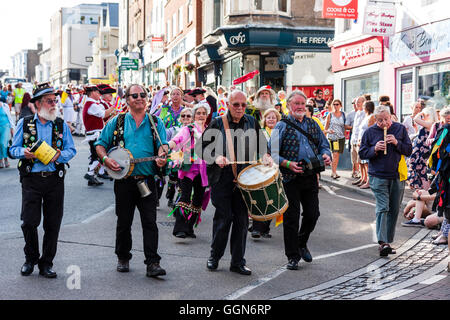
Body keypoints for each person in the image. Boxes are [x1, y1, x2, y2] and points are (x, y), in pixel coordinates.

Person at [95, 84, 168, 278]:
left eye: (142, 95)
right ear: (127, 99)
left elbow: (163, 146)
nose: (139, 98)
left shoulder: (155, 121)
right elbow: (100, 144)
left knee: (150, 222)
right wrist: (105, 160)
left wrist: (162, 156)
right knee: (124, 222)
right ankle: (123, 257)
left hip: (146, 180)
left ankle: (153, 262)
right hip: (124, 182)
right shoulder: (116, 121)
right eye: (134, 95)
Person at [199, 89, 273, 276]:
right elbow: (201, 149)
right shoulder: (217, 123)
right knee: (224, 218)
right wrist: (216, 158)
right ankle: (214, 257)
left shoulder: (252, 122)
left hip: (245, 179)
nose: (240, 108)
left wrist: (265, 155)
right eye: (236, 105)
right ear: (229, 105)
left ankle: (237, 262)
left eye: (242, 105)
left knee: (241, 220)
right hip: (222, 179)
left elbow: (262, 146)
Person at [9, 82, 76, 278]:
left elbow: (71, 150)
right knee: (29, 222)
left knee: (53, 223)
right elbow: (12, 150)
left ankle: (46, 263)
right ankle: (31, 259)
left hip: (55, 179)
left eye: (54, 100)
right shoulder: (25, 123)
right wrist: (24, 153)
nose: (53, 104)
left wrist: (59, 156)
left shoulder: (60, 124)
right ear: (37, 104)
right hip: (31, 179)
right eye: (49, 101)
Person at [269, 90, 332, 270]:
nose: (300, 107)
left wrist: (326, 155)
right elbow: (272, 153)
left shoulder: (313, 123)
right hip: (289, 178)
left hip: (311, 175)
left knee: (313, 214)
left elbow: (324, 145)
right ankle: (293, 256)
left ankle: (301, 241)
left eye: (302, 104)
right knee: (291, 218)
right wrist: (287, 164)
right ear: (289, 105)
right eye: (296, 104)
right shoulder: (280, 126)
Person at [359, 105, 412, 257]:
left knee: (394, 209)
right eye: (380, 120)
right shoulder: (370, 132)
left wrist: (396, 143)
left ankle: (388, 241)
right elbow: (362, 153)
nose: (384, 123)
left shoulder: (399, 129)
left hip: (397, 175)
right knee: (383, 207)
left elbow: (408, 150)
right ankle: (383, 243)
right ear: (375, 119)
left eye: (386, 120)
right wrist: (374, 149)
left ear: (391, 117)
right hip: (377, 176)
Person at [168, 103, 210, 239]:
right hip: (188, 167)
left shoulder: (210, 131)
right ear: (194, 116)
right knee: (185, 197)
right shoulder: (188, 129)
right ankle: (179, 228)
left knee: (198, 200)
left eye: (204, 113)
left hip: (203, 170)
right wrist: (168, 146)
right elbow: (177, 139)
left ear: (207, 115)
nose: (201, 116)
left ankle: (190, 227)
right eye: (198, 113)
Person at [249, 107, 282, 239]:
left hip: (276, 168)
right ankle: (257, 228)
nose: (271, 119)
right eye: (269, 117)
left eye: (274, 117)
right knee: (261, 197)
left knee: (273, 198)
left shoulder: (280, 133)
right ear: (264, 120)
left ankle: (264, 228)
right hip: (261, 168)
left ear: (278, 119)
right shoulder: (260, 133)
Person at [82, 85, 115, 186]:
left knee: (95, 155)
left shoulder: (91, 104)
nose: (100, 94)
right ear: (92, 93)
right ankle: (90, 173)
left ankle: (92, 176)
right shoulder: (91, 104)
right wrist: (114, 106)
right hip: (95, 134)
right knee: (98, 155)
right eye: (98, 92)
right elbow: (104, 114)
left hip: (95, 133)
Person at [407, 106, 437, 191]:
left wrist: (420, 113)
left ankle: (424, 191)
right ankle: (422, 191)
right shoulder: (430, 124)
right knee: (421, 171)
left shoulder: (431, 123)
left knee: (422, 172)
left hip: (422, 151)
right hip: (420, 151)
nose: (423, 117)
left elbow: (416, 119)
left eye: (424, 115)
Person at [324, 99, 350, 179]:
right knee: (334, 154)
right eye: (334, 104)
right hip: (333, 138)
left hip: (341, 137)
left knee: (337, 155)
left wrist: (347, 132)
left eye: (337, 104)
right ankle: (334, 172)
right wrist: (328, 132)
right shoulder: (330, 115)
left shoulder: (343, 115)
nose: (335, 106)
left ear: (340, 105)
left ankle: (333, 171)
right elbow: (325, 128)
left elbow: (345, 126)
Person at [356, 101, 376, 189]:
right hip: (361, 141)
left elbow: (370, 130)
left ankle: (369, 181)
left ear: (367, 107)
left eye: (364, 106)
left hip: (366, 142)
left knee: (367, 163)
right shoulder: (365, 116)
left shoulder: (371, 117)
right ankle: (363, 178)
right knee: (362, 162)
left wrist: (364, 141)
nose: (363, 108)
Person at [350, 96, 366, 180]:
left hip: (360, 140)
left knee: (361, 161)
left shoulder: (364, 113)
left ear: (363, 102)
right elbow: (355, 127)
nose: (356, 104)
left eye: (358, 102)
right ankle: (359, 175)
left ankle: (364, 178)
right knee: (355, 160)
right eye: (356, 102)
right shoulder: (357, 113)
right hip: (354, 139)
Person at [0, 100, 14, 168]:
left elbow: (10, 117)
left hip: (5, 126)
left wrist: (12, 128)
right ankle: (0, 160)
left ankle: (5, 159)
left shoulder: (5, 106)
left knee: (3, 143)